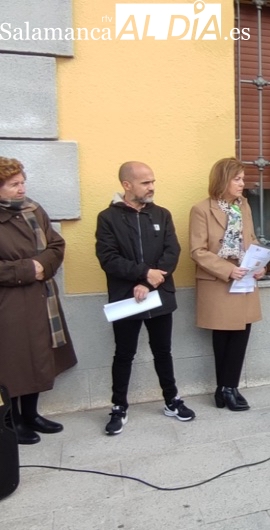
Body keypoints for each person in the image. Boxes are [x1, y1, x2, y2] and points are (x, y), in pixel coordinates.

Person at [96, 161, 195, 435]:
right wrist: (142, 276)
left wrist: (149, 282)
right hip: (126, 299)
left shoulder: (162, 214)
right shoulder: (108, 218)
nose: (152, 187)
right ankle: (119, 406)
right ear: (127, 185)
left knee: (163, 351)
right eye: (145, 182)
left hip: (159, 295)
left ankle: (171, 400)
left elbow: (171, 252)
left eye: (153, 181)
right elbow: (108, 258)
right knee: (124, 354)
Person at [0, 157, 77, 445]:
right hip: (9, 302)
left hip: (42, 299)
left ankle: (31, 414)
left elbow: (56, 244)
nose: (21, 189)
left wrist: (43, 264)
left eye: (22, 182)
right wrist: (26, 270)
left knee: (39, 358)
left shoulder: (33, 210)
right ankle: (12, 420)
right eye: (13, 184)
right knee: (13, 362)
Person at [190, 157, 264, 412]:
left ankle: (228, 387)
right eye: (237, 179)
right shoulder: (201, 210)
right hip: (218, 280)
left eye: (243, 178)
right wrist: (227, 269)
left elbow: (251, 238)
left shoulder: (243, 206)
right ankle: (225, 388)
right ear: (223, 180)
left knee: (242, 333)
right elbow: (197, 251)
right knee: (222, 336)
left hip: (244, 278)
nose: (243, 184)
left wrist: (260, 264)